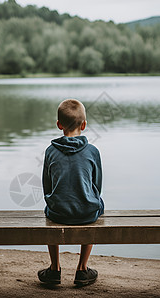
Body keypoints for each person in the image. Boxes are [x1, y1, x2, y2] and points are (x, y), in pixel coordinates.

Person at [38, 99, 104, 286]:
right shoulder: (93, 151)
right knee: (96, 203)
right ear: (84, 125)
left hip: (57, 212)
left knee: (48, 209)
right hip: (87, 212)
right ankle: (82, 269)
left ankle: (54, 269)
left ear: (59, 125)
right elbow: (97, 186)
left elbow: (47, 186)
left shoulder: (50, 151)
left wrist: (55, 201)